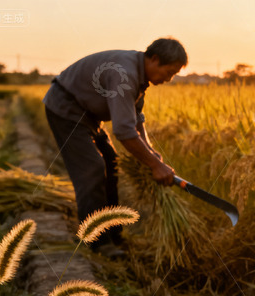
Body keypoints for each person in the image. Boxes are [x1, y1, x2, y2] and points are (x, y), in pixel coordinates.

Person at [43, 37, 186, 258]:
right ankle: (97, 241)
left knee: (112, 162)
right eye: (170, 71)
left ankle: (113, 232)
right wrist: (155, 165)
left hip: (88, 115)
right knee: (92, 169)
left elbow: (136, 119)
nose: (169, 78)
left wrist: (150, 153)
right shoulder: (125, 73)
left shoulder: (139, 74)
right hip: (66, 109)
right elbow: (124, 132)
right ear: (155, 59)